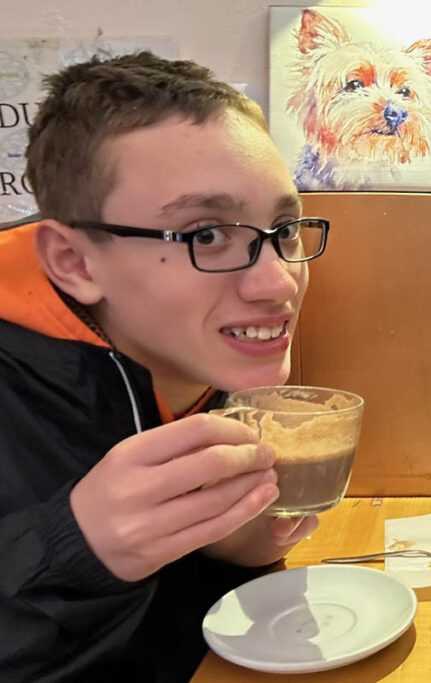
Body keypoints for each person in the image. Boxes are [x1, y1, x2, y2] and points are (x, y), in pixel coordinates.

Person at [0, 53, 330, 681]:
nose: (277, 283)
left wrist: (233, 552)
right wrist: (76, 550)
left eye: (283, 228)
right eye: (205, 234)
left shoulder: (203, 369)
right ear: (74, 263)